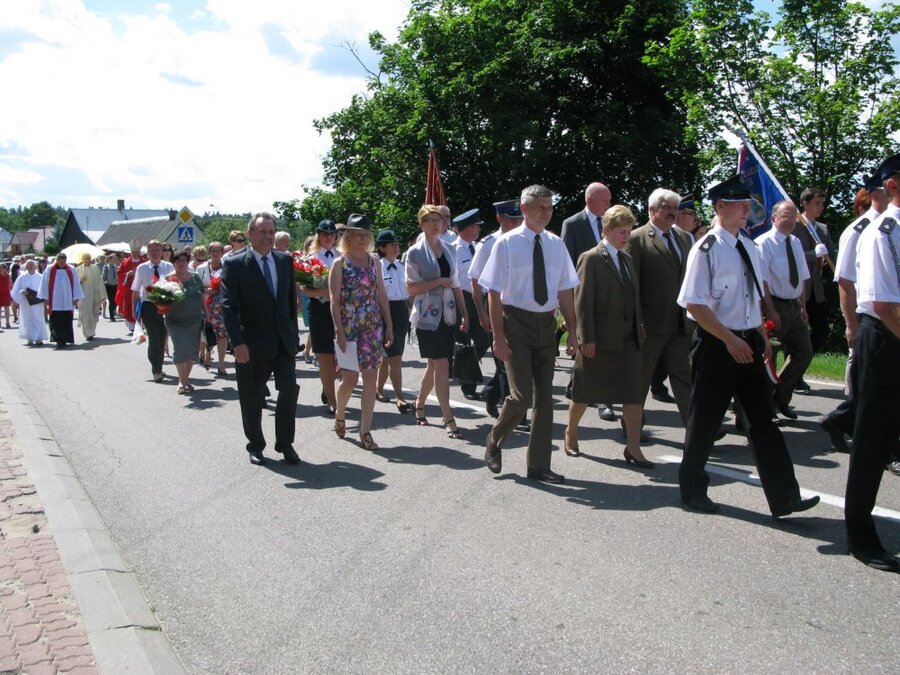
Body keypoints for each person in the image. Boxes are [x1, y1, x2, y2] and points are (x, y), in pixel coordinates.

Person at [676, 175, 820, 517]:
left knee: (763, 420)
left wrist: (761, 337)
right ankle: (692, 487)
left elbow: (752, 297)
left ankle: (785, 497)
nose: (746, 210)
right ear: (720, 207)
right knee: (704, 421)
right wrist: (729, 340)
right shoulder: (706, 249)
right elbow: (694, 305)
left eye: (747, 204)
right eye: (739, 204)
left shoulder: (750, 246)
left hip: (748, 342)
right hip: (717, 344)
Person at [480, 185, 579, 484]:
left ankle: (538, 466)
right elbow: (493, 293)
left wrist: (574, 331)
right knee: (521, 396)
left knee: (546, 398)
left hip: (545, 325)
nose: (546, 213)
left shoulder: (555, 244)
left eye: (549, 207)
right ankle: (495, 440)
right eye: (540, 207)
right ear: (524, 209)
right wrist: (498, 336)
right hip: (515, 323)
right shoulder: (506, 244)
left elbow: (564, 290)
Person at [844, 152, 900, 572]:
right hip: (886, 337)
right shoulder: (884, 231)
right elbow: (885, 305)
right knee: (872, 438)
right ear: (893, 186)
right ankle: (860, 532)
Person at [564, 205, 652, 467]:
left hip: (629, 338)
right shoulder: (591, 258)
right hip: (599, 339)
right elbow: (582, 301)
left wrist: (640, 325)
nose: (626, 236)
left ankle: (633, 448)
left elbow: (635, 297)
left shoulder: (626, 259)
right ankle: (571, 431)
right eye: (621, 232)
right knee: (585, 390)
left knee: (634, 394)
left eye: (628, 231)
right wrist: (585, 338)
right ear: (607, 230)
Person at [222, 212, 300, 466]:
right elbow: (228, 307)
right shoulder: (235, 264)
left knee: (289, 391)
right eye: (262, 232)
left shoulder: (284, 261)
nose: (267, 236)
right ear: (250, 234)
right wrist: (238, 342)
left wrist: (292, 335)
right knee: (252, 397)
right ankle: (256, 445)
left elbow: (289, 303)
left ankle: (285, 443)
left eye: (270, 231)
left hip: (282, 342)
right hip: (251, 345)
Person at [819, 174, 889, 452]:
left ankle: (839, 420)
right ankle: (885, 449)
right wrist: (851, 325)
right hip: (872, 319)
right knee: (876, 389)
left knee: (878, 389)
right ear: (875, 194)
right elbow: (845, 282)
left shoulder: (894, 227)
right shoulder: (858, 230)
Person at [626, 188, 693, 435]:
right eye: (667, 207)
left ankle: (695, 427)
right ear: (652, 210)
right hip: (650, 324)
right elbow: (631, 285)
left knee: (684, 377)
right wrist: (636, 322)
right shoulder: (636, 238)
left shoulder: (684, 238)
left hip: (680, 323)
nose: (672, 213)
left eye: (675, 208)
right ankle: (633, 426)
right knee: (641, 379)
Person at [329, 215, 394, 450]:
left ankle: (365, 431)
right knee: (349, 379)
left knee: (370, 377)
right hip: (348, 328)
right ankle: (340, 412)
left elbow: (382, 295)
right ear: (348, 237)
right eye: (357, 234)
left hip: (371, 327)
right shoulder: (340, 263)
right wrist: (339, 331)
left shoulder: (374, 261)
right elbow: (334, 301)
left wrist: (389, 325)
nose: (362, 239)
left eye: (365, 235)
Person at [406, 204, 469, 438]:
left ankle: (419, 405)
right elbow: (411, 287)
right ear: (422, 224)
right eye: (430, 220)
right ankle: (448, 417)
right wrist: (438, 282)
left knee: (434, 365)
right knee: (442, 364)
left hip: (449, 313)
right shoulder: (415, 252)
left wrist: (465, 314)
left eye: (439, 220)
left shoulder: (449, 249)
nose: (436, 224)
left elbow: (455, 283)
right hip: (427, 317)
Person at [561, 182, 616, 420]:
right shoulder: (572, 225)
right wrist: (569, 304)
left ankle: (597, 395)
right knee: (589, 346)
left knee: (602, 347)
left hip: (608, 296)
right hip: (583, 294)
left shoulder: (612, 223)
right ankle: (591, 393)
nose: (609, 204)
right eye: (605, 200)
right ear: (590, 200)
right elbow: (567, 264)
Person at [756, 201, 812, 419]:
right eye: (784, 216)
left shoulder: (796, 242)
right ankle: (763, 408)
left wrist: (803, 307)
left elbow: (802, 278)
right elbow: (762, 281)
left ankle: (780, 398)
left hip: (794, 307)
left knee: (804, 353)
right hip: (775, 306)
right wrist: (770, 310)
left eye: (793, 217)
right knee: (768, 359)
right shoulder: (764, 243)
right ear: (773, 218)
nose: (790, 221)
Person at [470, 199, 525, 418]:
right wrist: (482, 313)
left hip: (519, 306)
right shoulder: (489, 243)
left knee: (517, 360)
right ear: (500, 218)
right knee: (506, 361)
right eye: (512, 219)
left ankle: (492, 392)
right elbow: (475, 281)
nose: (517, 222)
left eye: (519, 218)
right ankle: (516, 414)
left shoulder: (524, 240)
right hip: (496, 304)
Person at [793, 187, 837, 389]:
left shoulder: (822, 228)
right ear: (805, 203)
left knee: (820, 330)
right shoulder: (795, 226)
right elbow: (793, 255)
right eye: (817, 203)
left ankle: (799, 369)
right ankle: (794, 375)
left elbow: (830, 255)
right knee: (798, 332)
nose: (821, 207)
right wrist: (813, 254)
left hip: (817, 288)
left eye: (822, 203)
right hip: (800, 288)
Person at [302, 219, 340, 413]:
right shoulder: (310, 258)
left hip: (341, 310)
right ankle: (332, 400)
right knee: (325, 356)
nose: (328, 237)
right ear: (318, 235)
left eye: (331, 234)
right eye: (324, 234)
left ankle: (329, 385)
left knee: (341, 357)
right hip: (319, 309)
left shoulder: (343, 256)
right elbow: (306, 289)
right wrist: (325, 293)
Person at [452, 208, 490, 400]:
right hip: (464, 299)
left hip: (481, 298)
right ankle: (468, 386)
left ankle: (461, 368)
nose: (478, 230)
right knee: (466, 342)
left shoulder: (478, 246)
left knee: (485, 339)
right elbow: (455, 279)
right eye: (475, 227)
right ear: (464, 229)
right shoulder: (455, 249)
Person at [374, 229, 411, 412]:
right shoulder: (376, 267)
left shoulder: (402, 266)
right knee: (394, 357)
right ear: (382, 248)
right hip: (384, 311)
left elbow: (408, 292)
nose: (396, 247)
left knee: (390, 357)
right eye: (392, 244)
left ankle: (379, 389)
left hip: (401, 311)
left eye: (397, 244)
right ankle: (400, 396)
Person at [131, 240, 175, 382]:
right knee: (154, 338)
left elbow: (174, 285)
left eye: (157, 250)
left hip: (164, 305)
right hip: (148, 306)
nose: (155, 253)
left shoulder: (168, 266)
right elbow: (136, 289)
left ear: (162, 252)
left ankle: (159, 367)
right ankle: (156, 369)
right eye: (152, 250)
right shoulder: (142, 268)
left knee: (162, 338)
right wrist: (134, 309)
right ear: (148, 252)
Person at [165, 249, 207, 394]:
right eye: (178, 261)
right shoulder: (168, 279)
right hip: (175, 321)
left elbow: (202, 297)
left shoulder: (195, 278)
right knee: (180, 349)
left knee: (191, 351)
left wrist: (207, 314)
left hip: (195, 319)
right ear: (174, 263)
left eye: (184, 260)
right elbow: (160, 300)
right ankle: (182, 382)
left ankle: (185, 380)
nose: (181, 263)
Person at [39, 253, 84, 349]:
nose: (63, 263)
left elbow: (76, 283)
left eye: (64, 261)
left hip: (67, 299)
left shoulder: (71, 269)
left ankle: (66, 339)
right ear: (57, 260)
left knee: (66, 319)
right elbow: (44, 283)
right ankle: (58, 340)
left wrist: (76, 297)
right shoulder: (50, 269)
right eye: (60, 261)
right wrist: (45, 298)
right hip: (55, 300)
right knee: (56, 320)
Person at [197, 241, 229, 376]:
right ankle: (207, 353)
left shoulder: (227, 266)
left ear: (222, 253)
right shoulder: (202, 268)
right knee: (207, 331)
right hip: (206, 305)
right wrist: (206, 289)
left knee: (222, 334)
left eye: (218, 251)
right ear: (209, 253)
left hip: (222, 305)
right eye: (213, 251)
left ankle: (221, 364)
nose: (215, 254)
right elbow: (196, 287)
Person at [10, 260, 47, 345]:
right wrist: (21, 292)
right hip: (25, 302)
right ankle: (29, 337)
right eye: (29, 265)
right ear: (26, 267)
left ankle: (39, 338)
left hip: (37, 302)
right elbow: (15, 290)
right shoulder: (22, 277)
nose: (31, 266)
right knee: (27, 320)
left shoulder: (40, 277)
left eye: (32, 265)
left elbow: (44, 289)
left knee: (38, 319)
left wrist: (39, 296)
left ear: (35, 266)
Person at [116, 244, 145, 333]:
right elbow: (119, 274)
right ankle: (132, 326)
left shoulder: (144, 262)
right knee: (129, 305)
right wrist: (128, 274)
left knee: (142, 305)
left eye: (137, 252)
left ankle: (142, 324)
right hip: (129, 289)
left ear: (139, 252)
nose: (135, 253)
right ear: (131, 252)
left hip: (141, 288)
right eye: (134, 252)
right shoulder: (125, 262)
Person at [76, 254, 104, 341]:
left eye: (89, 258)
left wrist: (102, 294)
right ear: (83, 259)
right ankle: (87, 333)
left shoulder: (95, 268)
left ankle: (92, 331)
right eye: (86, 258)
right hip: (84, 296)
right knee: (85, 314)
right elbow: (75, 282)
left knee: (93, 313)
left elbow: (100, 280)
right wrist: (80, 280)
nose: (87, 260)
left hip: (94, 295)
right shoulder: (78, 269)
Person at [101, 253, 119, 320]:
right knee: (111, 301)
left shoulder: (117, 267)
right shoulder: (106, 267)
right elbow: (103, 277)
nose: (115, 260)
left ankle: (113, 311)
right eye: (114, 258)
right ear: (110, 259)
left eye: (115, 258)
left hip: (116, 286)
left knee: (115, 301)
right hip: (109, 286)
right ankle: (112, 316)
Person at [0, 264, 11, 329]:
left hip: (6, 293)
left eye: (5, 267)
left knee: (7, 308)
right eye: (2, 267)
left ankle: (7, 322)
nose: (4, 268)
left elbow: (10, 283)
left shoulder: (7, 275)